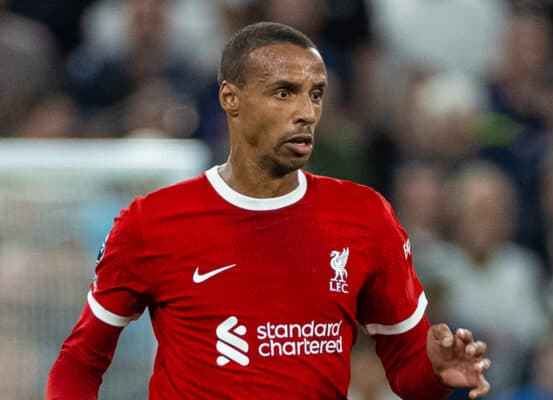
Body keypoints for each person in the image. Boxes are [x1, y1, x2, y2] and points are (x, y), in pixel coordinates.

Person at [47, 22, 491, 399]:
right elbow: (81, 358)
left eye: (316, 94)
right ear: (230, 98)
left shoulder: (366, 216)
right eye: (284, 93)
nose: (306, 112)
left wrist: (436, 370)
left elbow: (406, 370)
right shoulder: (153, 221)